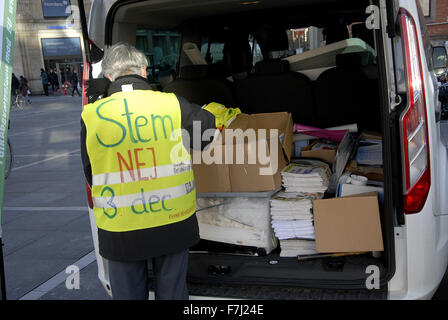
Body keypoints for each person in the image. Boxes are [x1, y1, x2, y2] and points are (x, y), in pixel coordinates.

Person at [80, 43, 216, 300]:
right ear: (144, 70)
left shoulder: (92, 114)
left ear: (109, 76)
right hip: (173, 222)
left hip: (120, 228)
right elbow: (207, 134)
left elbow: (90, 171)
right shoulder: (172, 104)